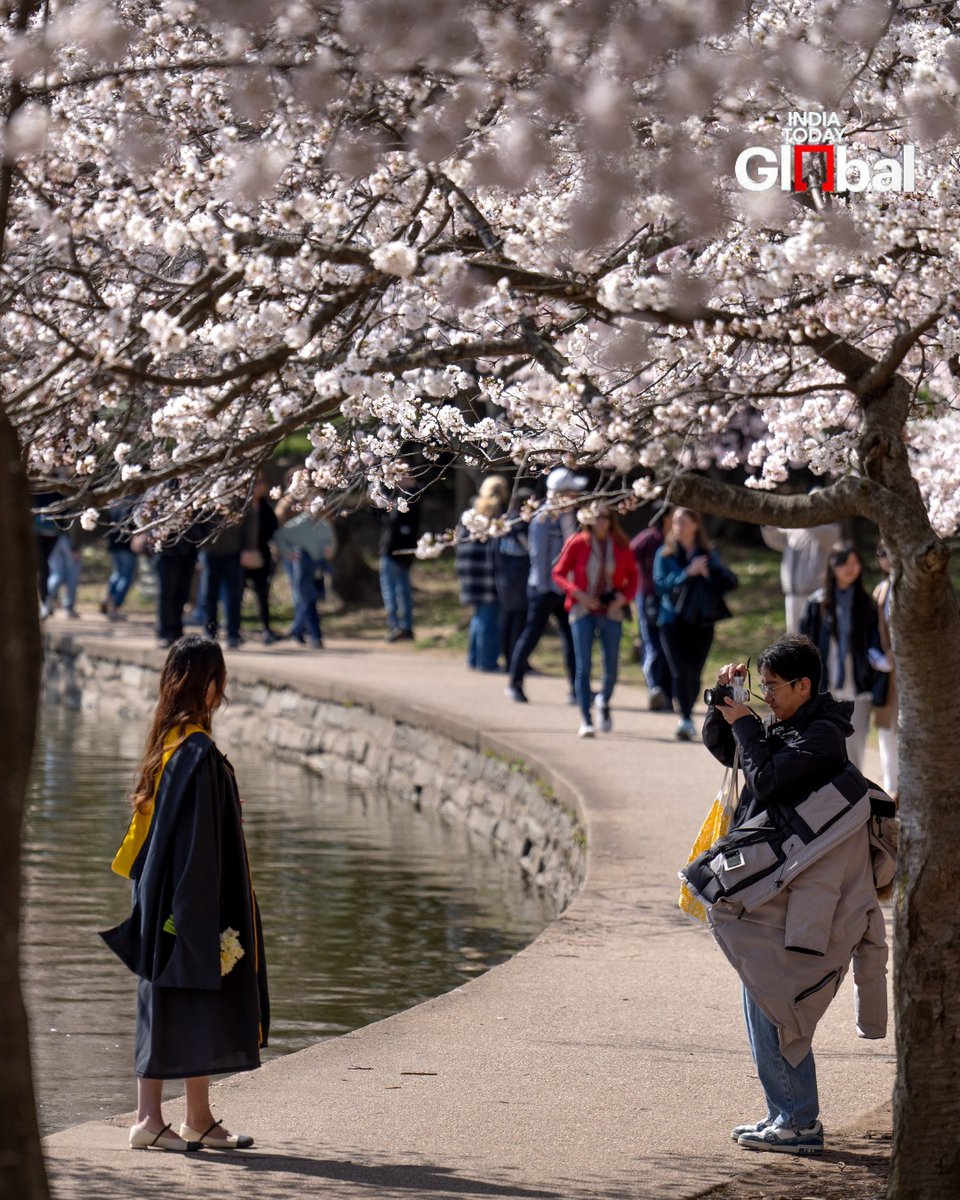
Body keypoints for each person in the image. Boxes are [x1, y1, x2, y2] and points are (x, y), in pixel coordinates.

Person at [697, 635, 892, 1157]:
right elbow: (731, 754)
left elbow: (768, 779)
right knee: (762, 997)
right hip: (776, 888)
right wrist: (722, 708)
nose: (766, 696)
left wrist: (744, 724)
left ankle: (801, 1121)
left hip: (802, 901)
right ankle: (784, 1112)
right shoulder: (790, 724)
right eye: (759, 687)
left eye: (773, 687)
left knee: (779, 1003)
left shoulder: (823, 737)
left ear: (804, 686)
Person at [100, 636, 269, 1152]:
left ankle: (193, 1118)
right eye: (221, 678)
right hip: (186, 904)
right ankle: (152, 1120)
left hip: (160, 898)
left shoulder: (172, 741)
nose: (224, 689)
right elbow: (197, 844)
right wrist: (198, 918)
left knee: (171, 1003)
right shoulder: (195, 752)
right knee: (185, 998)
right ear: (208, 684)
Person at [551, 505, 639, 737]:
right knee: (584, 665)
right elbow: (558, 573)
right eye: (596, 517)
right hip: (583, 610)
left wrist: (623, 598)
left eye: (605, 517)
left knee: (610, 666)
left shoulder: (620, 544)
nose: (601, 522)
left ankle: (603, 700)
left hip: (611, 611)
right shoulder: (577, 542)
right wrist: (578, 594)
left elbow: (633, 576)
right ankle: (586, 719)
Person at [654, 508, 738, 741]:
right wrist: (687, 573)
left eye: (683, 521)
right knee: (679, 670)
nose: (677, 526)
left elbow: (726, 582)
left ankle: (687, 712)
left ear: (695, 525)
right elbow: (660, 586)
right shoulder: (665, 554)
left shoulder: (708, 553)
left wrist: (707, 571)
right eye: (676, 522)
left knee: (695, 671)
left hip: (702, 621)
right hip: (672, 621)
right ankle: (686, 718)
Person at [505, 467, 586, 705]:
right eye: (572, 492)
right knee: (531, 635)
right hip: (544, 589)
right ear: (560, 493)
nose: (576, 497)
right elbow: (538, 556)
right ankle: (514, 682)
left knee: (571, 638)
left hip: (565, 587)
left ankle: (575, 688)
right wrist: (545, 587)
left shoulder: (572, 516)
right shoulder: (543, 517)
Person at [799, 542, 877, 770]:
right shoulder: (817, 603)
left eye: (854, 562)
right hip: (826, 681)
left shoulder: (866, 603)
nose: (850, 568)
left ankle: (853, 792)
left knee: (855, 742)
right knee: (825, 741)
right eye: (843, 562)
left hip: (858, 682)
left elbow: (874, 640)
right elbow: (805, 642)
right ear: (832, 565)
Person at [272, 499, 335, 648]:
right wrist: (289, 553)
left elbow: (331, 544)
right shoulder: (300, 524)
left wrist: (328, 550)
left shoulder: (324, 524)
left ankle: (298, 631)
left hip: (318, 567)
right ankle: (314, 634)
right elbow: (280, 536)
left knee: (310, 600)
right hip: (303, 567)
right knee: (308, 599)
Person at [455, 485, 502, 672]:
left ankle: (474, 658)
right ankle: (486, 661)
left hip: (469, 578)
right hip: (486, 580)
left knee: (479, 617)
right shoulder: (488, 525)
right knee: (488, 620)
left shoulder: (468, 520)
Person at [630, 506, 673, 711]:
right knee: (652, 645)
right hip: (647, 596)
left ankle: (666, 692)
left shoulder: (675, 540)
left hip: (670, 600)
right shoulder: (648, 539)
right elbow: (627, 557)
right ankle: (654, 688)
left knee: (668, 647)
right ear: (665, 517)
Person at [761, 520, 840, 633]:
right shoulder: (792, 530)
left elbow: (827, 534)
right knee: (794, 637)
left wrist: (804, 518)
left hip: (816, 595)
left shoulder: (827, 529)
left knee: (814, 636)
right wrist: (766, 522)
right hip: (792, 595)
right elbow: (773, 538)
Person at [492, 489, 533, 671]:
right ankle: (515, 661)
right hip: (520, 578)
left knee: (508, 618)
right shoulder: (521, 524)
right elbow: (533, 550)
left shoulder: (503, 522)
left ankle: (509, 659)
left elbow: (492, 552)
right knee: (518, 620)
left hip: (504, 578)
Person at [379, 474, 421, 642]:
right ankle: (405, 626)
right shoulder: (410, 496)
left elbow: (392, 522)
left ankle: (397, 626)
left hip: (393, 551)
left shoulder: (407, 497)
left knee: (392, 590)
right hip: (403, 551)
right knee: (402, 590)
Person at [870, 544, 898, 795]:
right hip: (886, 676)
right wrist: (877, 657)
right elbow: (870, 634)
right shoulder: (879, 590)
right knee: (886, 732)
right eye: (880, 552)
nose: (885, 557)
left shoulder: (918, 585)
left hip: (915, 673)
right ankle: (892, 790)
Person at [240, 478, 280, 644]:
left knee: (262, 594)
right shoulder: (241, 507)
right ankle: (235, 629)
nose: (259, 487)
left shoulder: (265, 508)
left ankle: (266, 628)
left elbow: (273, 529)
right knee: (237, 595)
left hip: (261, 557)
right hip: (240, 557)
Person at [202, 520, 244, 649]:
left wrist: (248, 547)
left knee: (233, 597)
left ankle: (233, 634)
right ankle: (210, 632)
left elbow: (249, 522)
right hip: (210, 551)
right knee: (209, 595)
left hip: (234, 551)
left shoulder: (239, 502)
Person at [102, 503, 140, 620]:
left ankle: (107, 599)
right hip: (126, 546)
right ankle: (115, 607)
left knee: (117, 574)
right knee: (126, 577)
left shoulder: (115, 503)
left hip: (114, 545)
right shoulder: (133, 504)